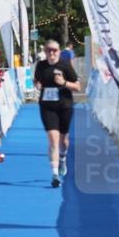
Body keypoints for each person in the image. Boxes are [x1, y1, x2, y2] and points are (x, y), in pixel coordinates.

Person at [34, 39, 81, 188]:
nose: (51, 53)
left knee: (64, 141)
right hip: (47, 107)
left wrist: (64, 83)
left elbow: (78, 87)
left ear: (59, 51)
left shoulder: (65, 66)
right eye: (49, 50)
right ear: (45, 52)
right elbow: (36, 80)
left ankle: (62, 158)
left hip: (65, 106)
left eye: (54, 50)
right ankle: (54, 175)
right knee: (53, 141)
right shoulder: (41, 66)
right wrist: (37, 84)